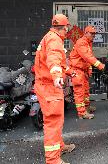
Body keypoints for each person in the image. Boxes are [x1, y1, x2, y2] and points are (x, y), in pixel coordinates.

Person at [34, 14, 75, 164]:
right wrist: (57, 75)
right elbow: (53, 59)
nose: (67, 31)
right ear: (64, 27)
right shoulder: (54, 40)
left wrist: (69, 72)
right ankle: (52, 160)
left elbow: (57, 61)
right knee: (53, 121)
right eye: (67, 29)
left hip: (47, 85)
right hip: (49, 87)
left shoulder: (48, 37)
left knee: (57, 120)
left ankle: (59, 146)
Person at [69, 25, 105, 119]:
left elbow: (87, 58)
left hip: (83, 71)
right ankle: (82, 113)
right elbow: (88, 57)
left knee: (85, 91)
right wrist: (101, 66)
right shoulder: (82, 43)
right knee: (80, 92)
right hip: (77, 71)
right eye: (91, 33)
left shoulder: (88, 43)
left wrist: (89, 69)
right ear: (86, 33)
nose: (93, 35)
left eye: (94, 33)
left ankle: (86, 107)